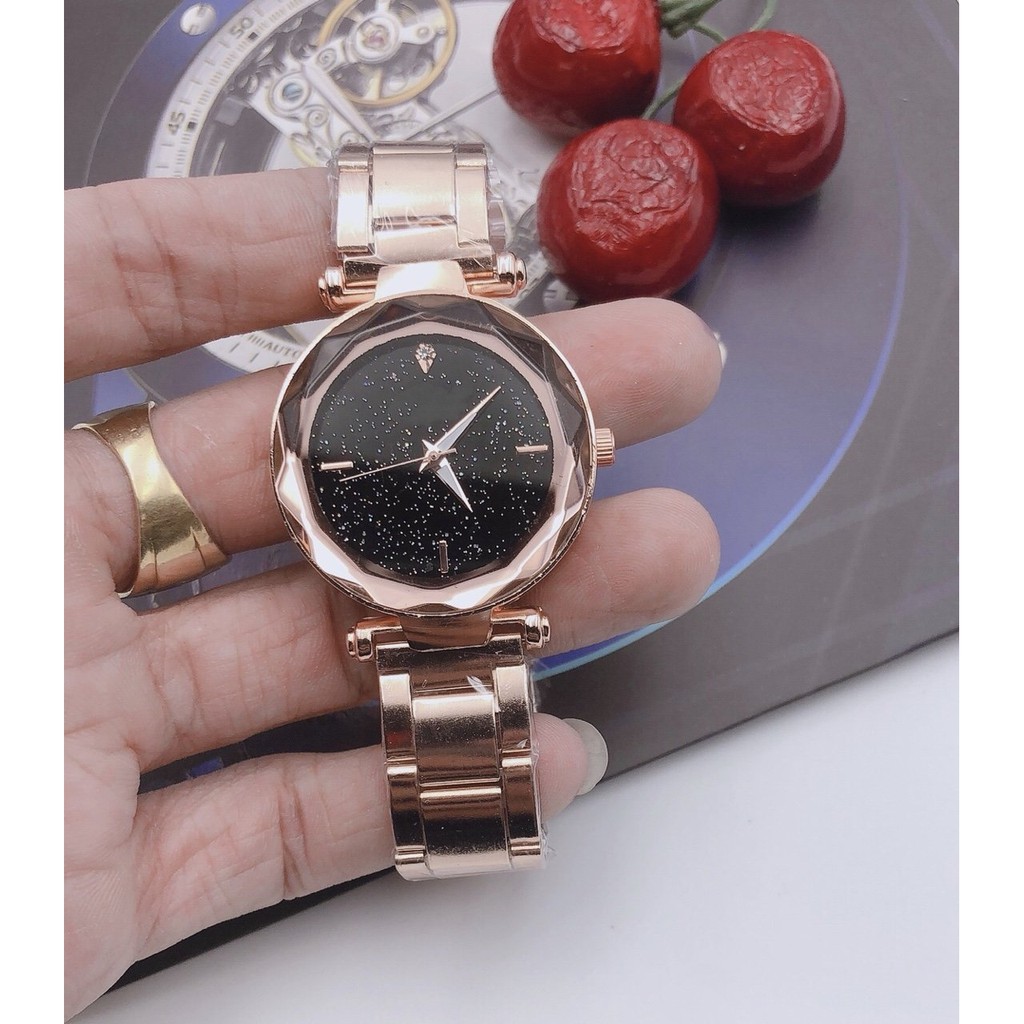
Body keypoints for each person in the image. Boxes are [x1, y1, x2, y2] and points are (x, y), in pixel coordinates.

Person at [64, 167, 722, 1019]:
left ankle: (468, 831)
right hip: (410, 593)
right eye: (431, 457)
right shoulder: (332, 438)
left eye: (441, 455)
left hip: (477, 589)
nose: (435, 460)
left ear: (585, 449)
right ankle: (465, 833)